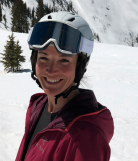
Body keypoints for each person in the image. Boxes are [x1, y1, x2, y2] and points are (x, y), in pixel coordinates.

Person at [15, 11, 114, 161]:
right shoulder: (38, 106)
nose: (50, 70)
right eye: (43, 57)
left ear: (79, 66)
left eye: (64, 60)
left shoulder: (85, 139)